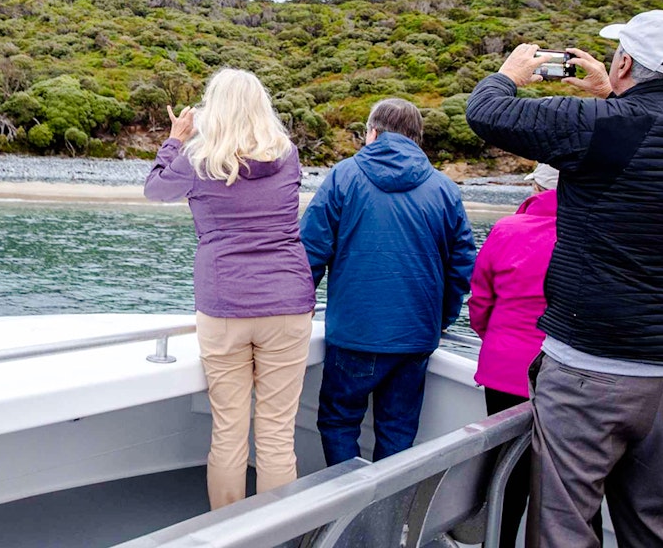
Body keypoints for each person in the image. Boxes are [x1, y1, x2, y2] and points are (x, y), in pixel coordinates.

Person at [465, 9, 663, 548]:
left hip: (591, 368)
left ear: (625, 60)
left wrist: (509, 76)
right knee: (658, 528)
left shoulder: (599, 127)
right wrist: (614, 97)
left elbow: (486, 112)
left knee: (564, 526)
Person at [144, 68, 316, 510]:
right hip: (287, 302)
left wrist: (175, 138)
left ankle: (229, 535)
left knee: (228, 432)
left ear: (211, 110)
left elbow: (154, 189)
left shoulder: (197, 160)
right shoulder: (289, 155)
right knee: (278, 435)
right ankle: (278, 535)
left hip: (224, 304)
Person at [299, 98, 476, 466]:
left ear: (373, 133)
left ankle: (347, 514)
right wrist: (440, 318)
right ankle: (384, 521)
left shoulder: (343, 176)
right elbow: (462, 266)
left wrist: (296, 311)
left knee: (338, 422)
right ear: (416, 138)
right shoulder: (444, 189)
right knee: (397, 431)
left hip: (354, 333)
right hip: (415, 337)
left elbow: (309, 254)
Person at [469, 163, 604, 548]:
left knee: (506, 475)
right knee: (571, 479)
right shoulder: (593, 235)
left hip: (506, 369)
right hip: (572, 372)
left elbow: (481, 300)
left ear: (535, 187)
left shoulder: (508, 230)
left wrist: (492, 338)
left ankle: (499, 541)